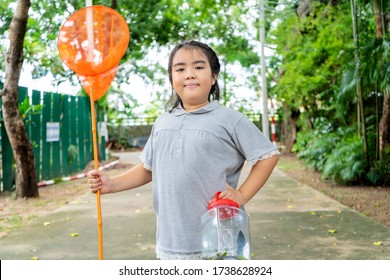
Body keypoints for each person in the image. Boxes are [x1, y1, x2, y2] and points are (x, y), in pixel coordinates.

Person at [87, 40, 280, 260]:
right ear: (172, 79)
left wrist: (241, 195)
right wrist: (112, 184)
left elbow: (268, 155)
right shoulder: (162, 122)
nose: (189, 74)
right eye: (180, 69)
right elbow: (149, 168)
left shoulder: (230, 119)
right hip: (172, 240)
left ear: (214, 77)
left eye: (199, 67)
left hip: (219, 239)